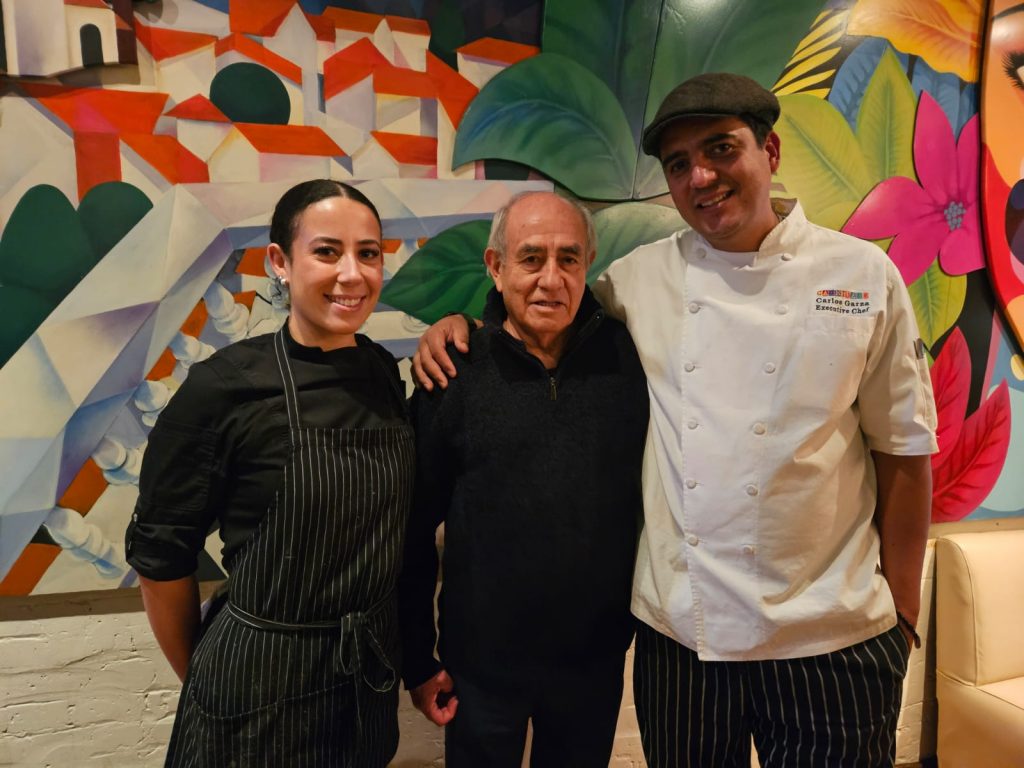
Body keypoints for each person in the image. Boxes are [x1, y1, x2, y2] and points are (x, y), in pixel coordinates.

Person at [412, 73, 938, 768]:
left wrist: (902, 614)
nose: (701, 176)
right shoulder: (639, 280)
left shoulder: (863, 275)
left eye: (721, 149)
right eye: (680, 163)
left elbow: (903, 450)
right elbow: (535, 309)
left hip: (830, 636)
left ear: (770, 150)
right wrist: (461, 326)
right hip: (683, 643)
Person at [125, 180, 414, 767]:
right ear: (280, 262)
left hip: (363, 686)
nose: (352, 274)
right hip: (255, 696)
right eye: (327, 251)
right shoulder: (225, 388)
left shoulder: (383, 372)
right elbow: (160, 560)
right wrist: (214, 683)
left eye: (369, 252)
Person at [398, 191, 649, 767]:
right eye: (531, 258)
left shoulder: (628, 358)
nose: (550, 279)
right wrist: (418, 657)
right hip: (480, 664)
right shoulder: (454, 370)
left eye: (569, 259)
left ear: (589, 264)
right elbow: (411, 528)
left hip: (594, 659)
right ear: (496, 266)